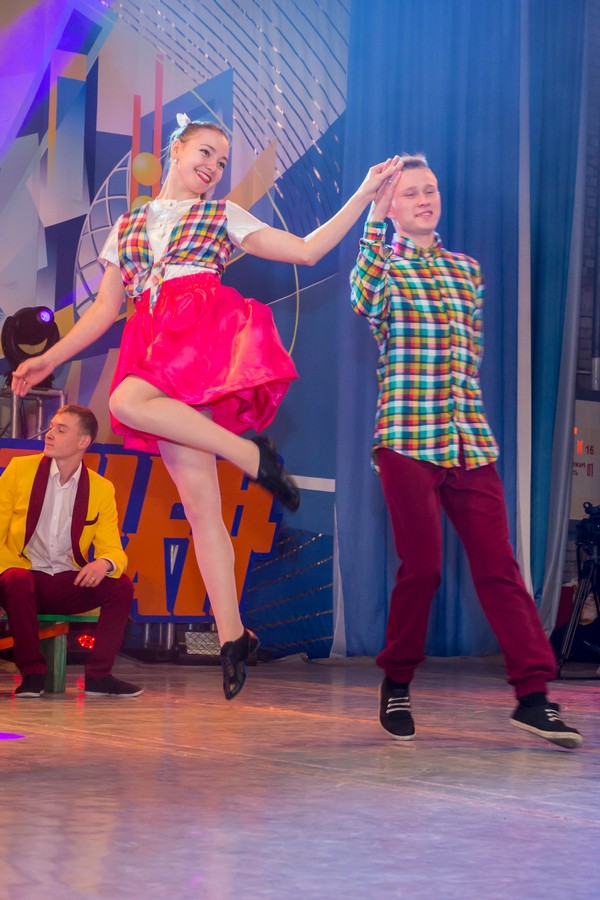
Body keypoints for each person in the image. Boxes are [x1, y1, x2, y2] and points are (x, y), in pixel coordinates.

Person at [11, 113, 402, 701]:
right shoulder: (129, 224)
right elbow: (103, 312)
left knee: (124, 400)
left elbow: (307, 250)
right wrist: (49, 358)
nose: (214, 167)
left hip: (197, 338)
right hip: (151, 340)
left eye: (221, 161)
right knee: (202, 511)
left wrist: (366, 191)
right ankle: (232, 636)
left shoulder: (223, 215)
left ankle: (250, 455)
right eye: (205, 153)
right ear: (176, 149)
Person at [349, 153, 582, 750]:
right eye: (410, 193)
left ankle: (533, 697)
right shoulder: (383, 268)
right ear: (391, 207)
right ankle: (397, 682)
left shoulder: (466, 272)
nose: (424, 199)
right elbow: (364, 300)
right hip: (406, 437)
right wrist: (372, 219)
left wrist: (464, 423)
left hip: (468, 438)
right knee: (423, 567)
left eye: (430, 189)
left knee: (500, 568)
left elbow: (466, 361)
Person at [0, 404, 140, 698]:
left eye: (61, 430)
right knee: (18, 580)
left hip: (65, 580)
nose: (50, 434)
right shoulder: (19, 470)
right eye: (51, 427)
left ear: (83, 441)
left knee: (121, 586)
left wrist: (104, 563)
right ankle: (32, 674)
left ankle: (99, 676)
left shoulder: (101, 488)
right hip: (17, 576)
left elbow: (113, 548)